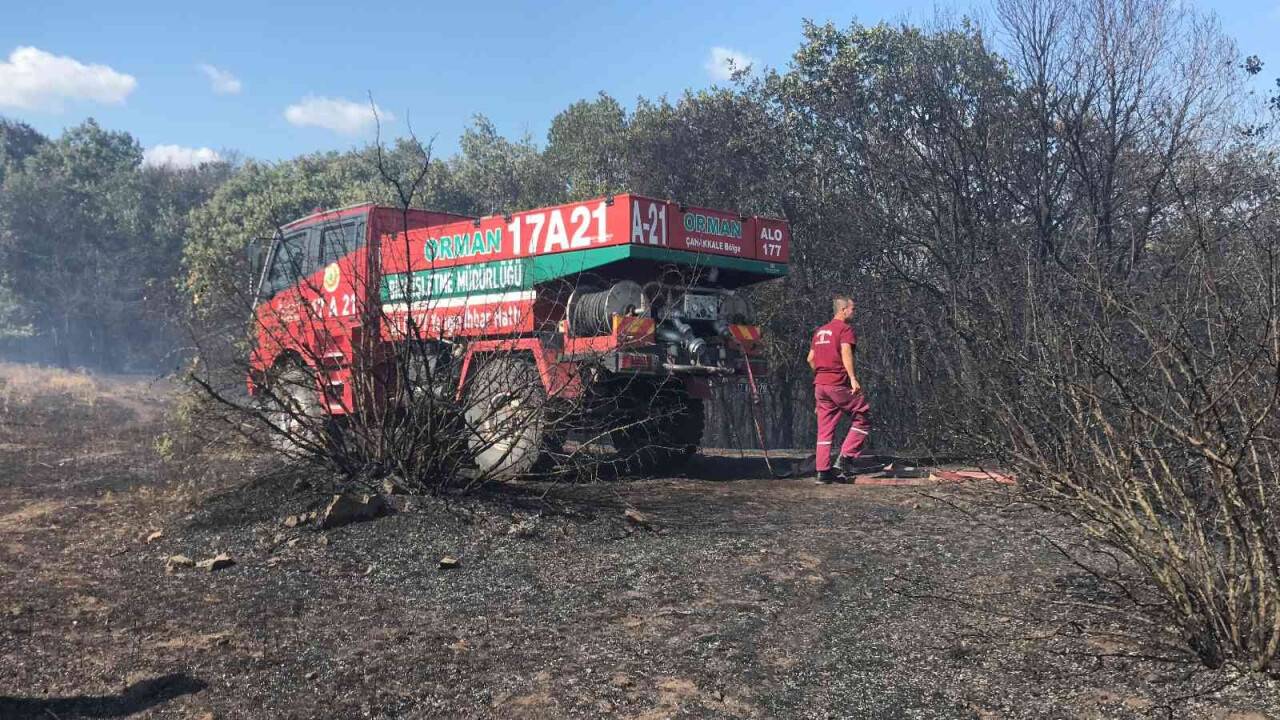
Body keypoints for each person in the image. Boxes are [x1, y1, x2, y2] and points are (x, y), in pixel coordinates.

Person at [807, 295, 871, 484]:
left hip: (820, 386)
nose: (854, 312)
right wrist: (852, 378)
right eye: (853, 308)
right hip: (838, 383)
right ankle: (845, 460)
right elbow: (845, 352)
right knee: (863, 416)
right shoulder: (844, 329)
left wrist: (822, 376)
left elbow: (810, 359)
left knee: (825, 429)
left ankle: (823, 472)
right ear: (843, 310)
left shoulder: (820, 331)